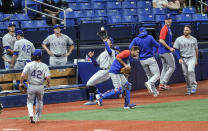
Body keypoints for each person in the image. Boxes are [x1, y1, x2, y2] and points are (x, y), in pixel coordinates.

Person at [19, 49, 51, 123]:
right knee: (39, 101)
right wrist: (48, 83)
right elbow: (48, 77)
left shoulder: (29, 64)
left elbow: (22, 75)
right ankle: (37, 118)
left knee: (30, 102)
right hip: (40, 86)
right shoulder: (44, 66)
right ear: (41, 57)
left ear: (33, 56)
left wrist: (21, 83)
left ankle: (31, 114)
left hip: (31, 86)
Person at [84, 37, 118, 105]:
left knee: (89, 83)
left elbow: (108, 50)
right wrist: (92, 58)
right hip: (101, 71)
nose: (107, 41)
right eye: (106, 40)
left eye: (108, 40)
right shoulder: (102, 54)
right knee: (90, 83)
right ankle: (97, 98)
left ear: (111, 44)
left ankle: (94, 99)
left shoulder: (112, 52)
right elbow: (96, 64)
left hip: (107, 71)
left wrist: (105, 41)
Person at [129, 27, 160, 97]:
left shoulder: (136, 39)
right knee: (157, 75)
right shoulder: (149, 37)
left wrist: (136, 52)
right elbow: (157, 45)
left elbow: (130, 47)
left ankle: (155, 92)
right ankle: (149, 83)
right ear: (145, 31)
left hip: (142, 60)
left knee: (149, 75)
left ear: (139, 32)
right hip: (150, 58)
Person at [173, 25, 198, 95]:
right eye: (184, 30)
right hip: (183, 58)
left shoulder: (194, 39)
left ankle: (194, 86)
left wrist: (196, 59)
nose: (185, 31)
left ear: (190, 31)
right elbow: (176, 50)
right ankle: (189, 87)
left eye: (187, 30)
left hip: (191, 57)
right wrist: (179, 58)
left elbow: (196, 49)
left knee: (191, 71)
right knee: (185, 74)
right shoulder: (179, 39)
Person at [158, 14, 176, 91]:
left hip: (163, 51)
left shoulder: (168, 28)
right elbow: (161, 40)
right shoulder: (165, 28)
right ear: (165, 20)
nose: (168, 20)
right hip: (165, 51)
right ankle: (163, 83)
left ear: (171, 20)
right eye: (167, 19)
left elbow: (167, 40)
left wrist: (172, 45)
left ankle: (161, 85)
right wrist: (169, 48)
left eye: (169, 19)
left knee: (165, 67)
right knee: (172, 67)